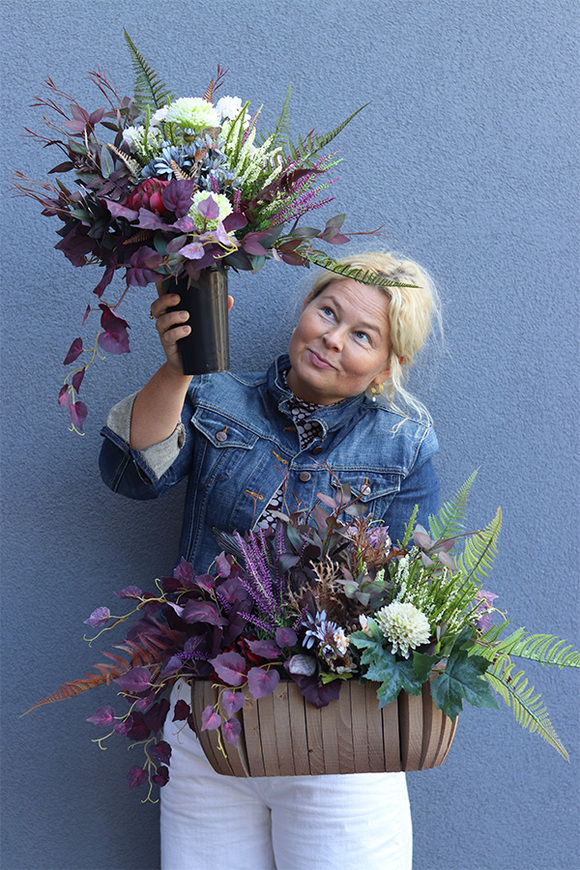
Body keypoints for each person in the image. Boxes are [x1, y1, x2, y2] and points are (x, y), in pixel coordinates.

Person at [99, 251, 441, 870]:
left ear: (390, 366)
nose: (332, 339)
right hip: (210, 726)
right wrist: (177, 370)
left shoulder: (402, 446)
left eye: (362, 335)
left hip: (342, 740)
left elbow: (412, 596)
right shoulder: (218, 397)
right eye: (327, 312)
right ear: (305, 310)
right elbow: (130, 475)